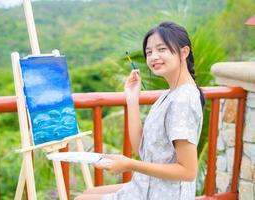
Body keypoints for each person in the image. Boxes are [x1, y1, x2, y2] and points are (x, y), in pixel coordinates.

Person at [75, 21, 205, 200]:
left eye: (161, 49)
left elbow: (188, 171)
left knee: (83, 199)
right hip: (150, 186)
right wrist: (132, 99)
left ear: (184, 52)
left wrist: (129, 164)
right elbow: (141, 147)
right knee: (89, 193)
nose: (153, 57)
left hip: (165, 193)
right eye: (149, 52)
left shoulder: (183, 100)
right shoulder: (170, 94)